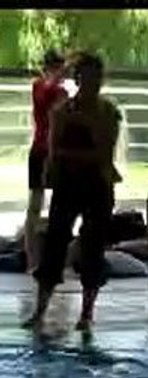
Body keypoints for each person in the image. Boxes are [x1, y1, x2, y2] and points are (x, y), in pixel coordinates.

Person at [24, 52, 122, 333]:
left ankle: (87, 314)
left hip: (97, 185)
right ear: (79, 79)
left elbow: (104, 153)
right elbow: (54, 152)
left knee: (93, 249)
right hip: (69, 184)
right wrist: (59, 166)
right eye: (89, 77)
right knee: (54, 246)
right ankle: (40, 312)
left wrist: (76, 150)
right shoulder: (62, 111)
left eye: (98, 78)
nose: (95, 83)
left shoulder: (107, 112)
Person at [24, 50, 69, 274]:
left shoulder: (48, 88)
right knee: (39, 206)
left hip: (49, 151)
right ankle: (35, 260)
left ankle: (43, 259)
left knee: (50, 206)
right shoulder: (46, 88)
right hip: (47, 152)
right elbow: (51, 95)